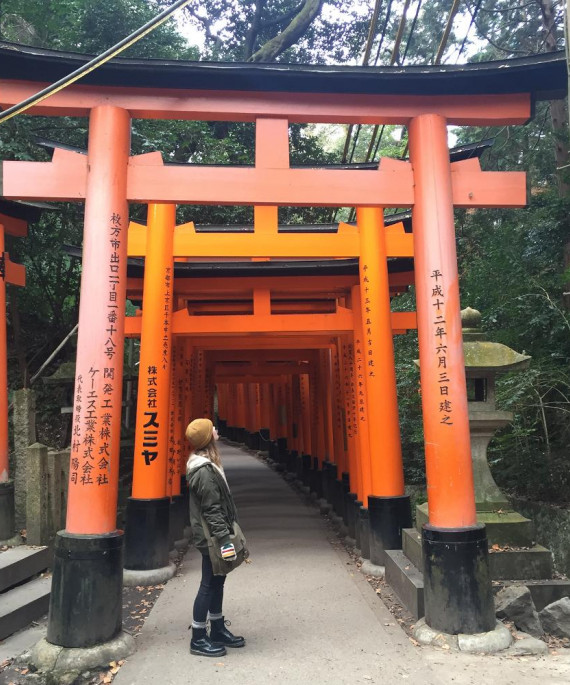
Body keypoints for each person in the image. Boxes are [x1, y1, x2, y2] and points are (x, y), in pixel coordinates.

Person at [186, 417, 245, 657]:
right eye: (213, 429)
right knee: (208, 584)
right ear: (208, 437)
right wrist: (224, 540)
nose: (217, 430)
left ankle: (217, 627)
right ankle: (198, 637)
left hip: (213, 535)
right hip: (211, 537)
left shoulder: (208, 465)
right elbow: (212, 510)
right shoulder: (204, 472)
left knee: (218, 579)